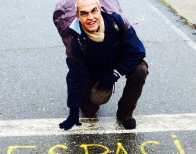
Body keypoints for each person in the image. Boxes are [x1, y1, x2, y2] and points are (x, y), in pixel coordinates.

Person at [59, 0, 148, 130]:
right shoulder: (75, 41)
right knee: (88, 112)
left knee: (140, 70)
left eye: (93, 11)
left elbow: (137, 52)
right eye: (84, 13)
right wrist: (73, 111)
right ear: (78, 16)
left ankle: (125, 113)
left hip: (117, 63)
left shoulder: (117, 22)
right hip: (93, 71)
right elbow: (74, 78)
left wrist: (114, 74)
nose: (90, 17)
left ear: (100, 9)